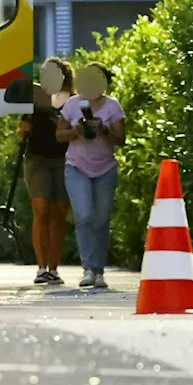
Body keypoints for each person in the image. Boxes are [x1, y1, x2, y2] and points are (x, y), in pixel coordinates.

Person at [56, 62, 126, 289]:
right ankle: (89, 268)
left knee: (101, 220)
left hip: (105, 168)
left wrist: (103, 130)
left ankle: (99, 270)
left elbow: (121, 140)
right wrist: (76, 131)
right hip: (77, 166)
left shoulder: (113, 107)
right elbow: (59, 135)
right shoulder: (73, 104)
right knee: (84, 216)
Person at [18, 58, 74, 286]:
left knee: (59, 213)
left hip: (65, 158)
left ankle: (54, 268)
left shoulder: (73, 101)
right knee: (41, 210)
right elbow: (21, 131)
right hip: (36, 158)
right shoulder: (35, 99)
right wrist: (24, 129)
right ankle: (41, 268)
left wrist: (63, 123)